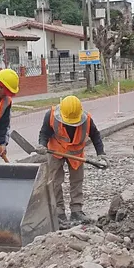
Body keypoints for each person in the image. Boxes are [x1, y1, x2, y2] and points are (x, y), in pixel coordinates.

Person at [37, 95, 107, 227]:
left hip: (76, 154)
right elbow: (44, 133)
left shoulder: (87, 120)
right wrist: (42, 145)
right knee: (55, 181)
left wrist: (101, 154)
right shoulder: (51, 115)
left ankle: (76, 210)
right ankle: (58, 212)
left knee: (77, 180)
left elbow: (96, 136)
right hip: (56, 151)